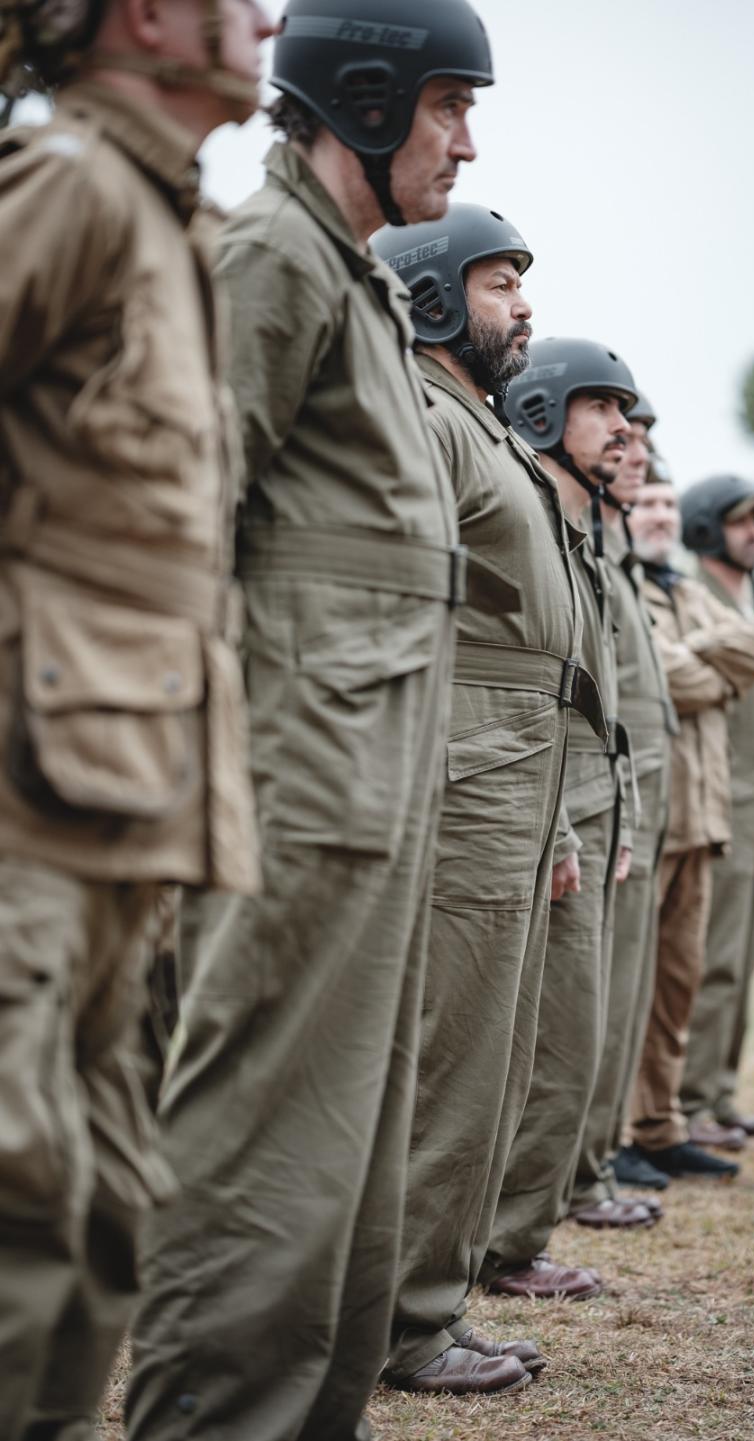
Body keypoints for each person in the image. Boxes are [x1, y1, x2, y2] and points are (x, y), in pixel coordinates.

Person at [126, 4, 496, 1439]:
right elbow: (180, 524)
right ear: (366, 97)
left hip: (377, 774)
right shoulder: (273, 258)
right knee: (266, 1139)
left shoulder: (357, 284)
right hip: (297, 773)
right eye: (449, 104)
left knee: (351, 1147)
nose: (466, 138)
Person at [0, 0, 270, 1434]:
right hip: (24, 787)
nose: (269, 19)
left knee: (100, 1202)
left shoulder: (182, 230)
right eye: (238, 0)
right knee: (15, 1187)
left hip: (129, 785)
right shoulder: (70, 186)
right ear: (151, 15)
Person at [372, 206, 607, 1395]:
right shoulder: (423, 414)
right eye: (503, 282)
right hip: (462, 766)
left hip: (518, 765)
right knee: (450, 1062)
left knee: (496, 1063)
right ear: (428, 294)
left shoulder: (480, 426)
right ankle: (402, 1324)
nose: (525, 306)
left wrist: (554, 812)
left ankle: (431, 1300)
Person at [480, 336, 655, 1302]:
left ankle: (512, 1237)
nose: (624, 429)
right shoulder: (533, 524)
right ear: (544, 414)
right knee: (539, 1048)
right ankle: (503, 1244)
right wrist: (558, 825)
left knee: (569, 1042)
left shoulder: (575, 532)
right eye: (603, 408)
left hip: (579, 813)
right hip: (534, 812)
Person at [616, 465, 754, 1184]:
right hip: (650, 818)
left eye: (667, 504)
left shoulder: (684, 587)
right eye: (647, 501)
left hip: (704, 819)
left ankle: (658, 1127)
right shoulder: (623, 583)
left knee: (679, 984)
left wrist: (701, 667)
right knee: (630, 985)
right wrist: (716, 672)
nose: (657, 514)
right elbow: (658, 674)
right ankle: (611, 1133)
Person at [569, 397, 677, 1214]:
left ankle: (596, 1160)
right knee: (583, 1004)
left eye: (641, 439)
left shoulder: (615, 552)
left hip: (627, 800)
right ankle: (577, 1172)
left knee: (623, 992)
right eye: (621, 434)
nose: (634, 452)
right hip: (581, 796)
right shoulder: (586, 542)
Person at [679, 475, 754, 1147]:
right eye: (743, 520)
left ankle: (718, 1093)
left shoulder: (751, 597)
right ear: (710, 528)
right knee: (710, 959)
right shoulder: (696, 595)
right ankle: (689, 1100)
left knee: (741, 958)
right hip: (720, 800)